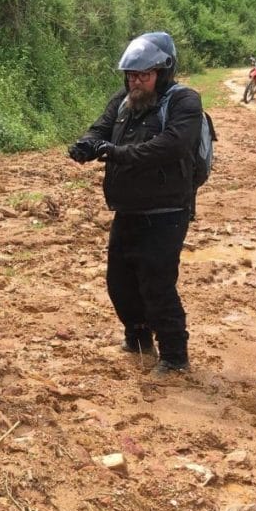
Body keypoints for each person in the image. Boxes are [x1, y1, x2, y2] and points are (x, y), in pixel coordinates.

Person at [67, 31, 203, 374]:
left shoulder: (185, 102)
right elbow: (100, 128)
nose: (136, 82)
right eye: (131, 75)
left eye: (143, 75)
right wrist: (86, 146)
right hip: (128, 208)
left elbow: (172, 145)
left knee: (156, 281)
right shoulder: (123, 100)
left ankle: (174, 355)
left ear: (163, 72)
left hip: (167, 211)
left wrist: (118, 153)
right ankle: (138, 338)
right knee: (120, 281)